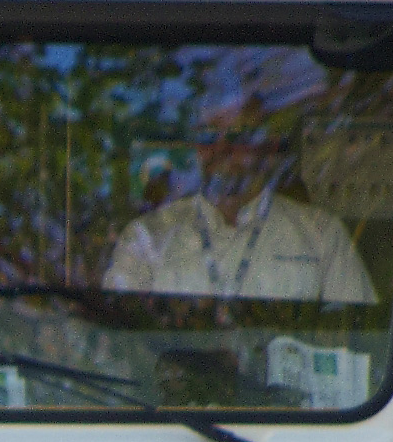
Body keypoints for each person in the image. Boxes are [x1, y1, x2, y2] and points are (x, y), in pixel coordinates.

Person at [101, 124, 377, 308]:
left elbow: (353, 333)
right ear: (196, 150)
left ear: (267, 149)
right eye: (209, 138)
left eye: (236, 139)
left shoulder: (320, 232)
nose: (222, 150)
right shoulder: (147, 235)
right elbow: (119, 337)